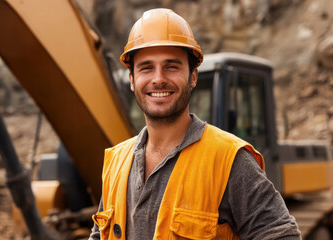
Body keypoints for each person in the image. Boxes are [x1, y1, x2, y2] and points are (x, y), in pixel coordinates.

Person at [89, 8, 301, 240]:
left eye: (172, 66)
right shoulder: (116, 163)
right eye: (146, 67)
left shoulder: (228, 160)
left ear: (193, 76)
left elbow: (280, 235)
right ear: (132, 80)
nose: (158, 78)